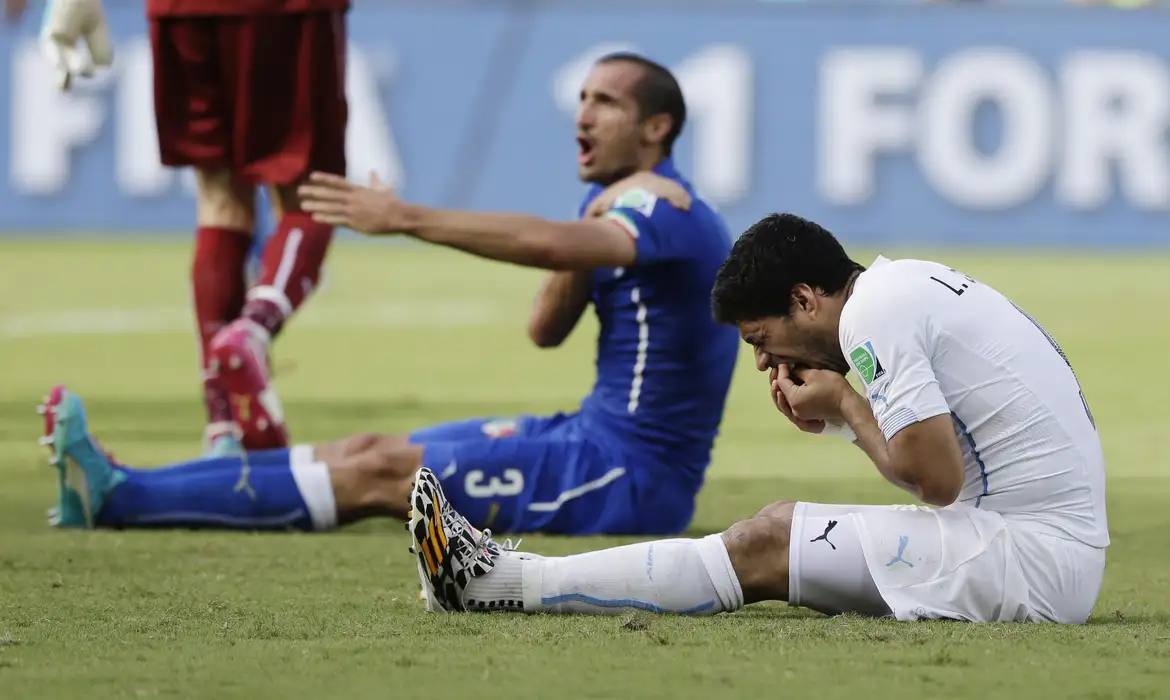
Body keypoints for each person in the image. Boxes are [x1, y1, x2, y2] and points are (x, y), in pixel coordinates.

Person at [39, 53, 741, 538]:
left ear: (657, 128)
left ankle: (115, 497)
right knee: (371, 445)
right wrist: (582, 229)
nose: (582, 116)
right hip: (583, 434)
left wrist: (405, 218)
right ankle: (132, 479)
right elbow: (544, 329)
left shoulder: (663, 207)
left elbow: (550, 246)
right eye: (582, 98)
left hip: (626, 479)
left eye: (606, 103)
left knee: (382, 476)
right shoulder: (613, 203)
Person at [404, 212, 1109, 624]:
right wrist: (842, 412)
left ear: (805, 298)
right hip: (1035, 543)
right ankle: (502, 578)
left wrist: (839, 401)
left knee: (768, 540)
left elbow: (934, 478)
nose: (765, 361)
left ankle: (499, 585)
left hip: (1035, 561)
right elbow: (950, 452)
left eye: (759, 338)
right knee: (772, 528)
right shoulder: (897, 286)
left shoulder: (874, 313)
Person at [7, 0, 349, 455]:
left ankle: (224, 428)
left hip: (179, 10)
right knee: (312, 194)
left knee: (219, 198)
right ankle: (252, 330)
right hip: (282, 11)